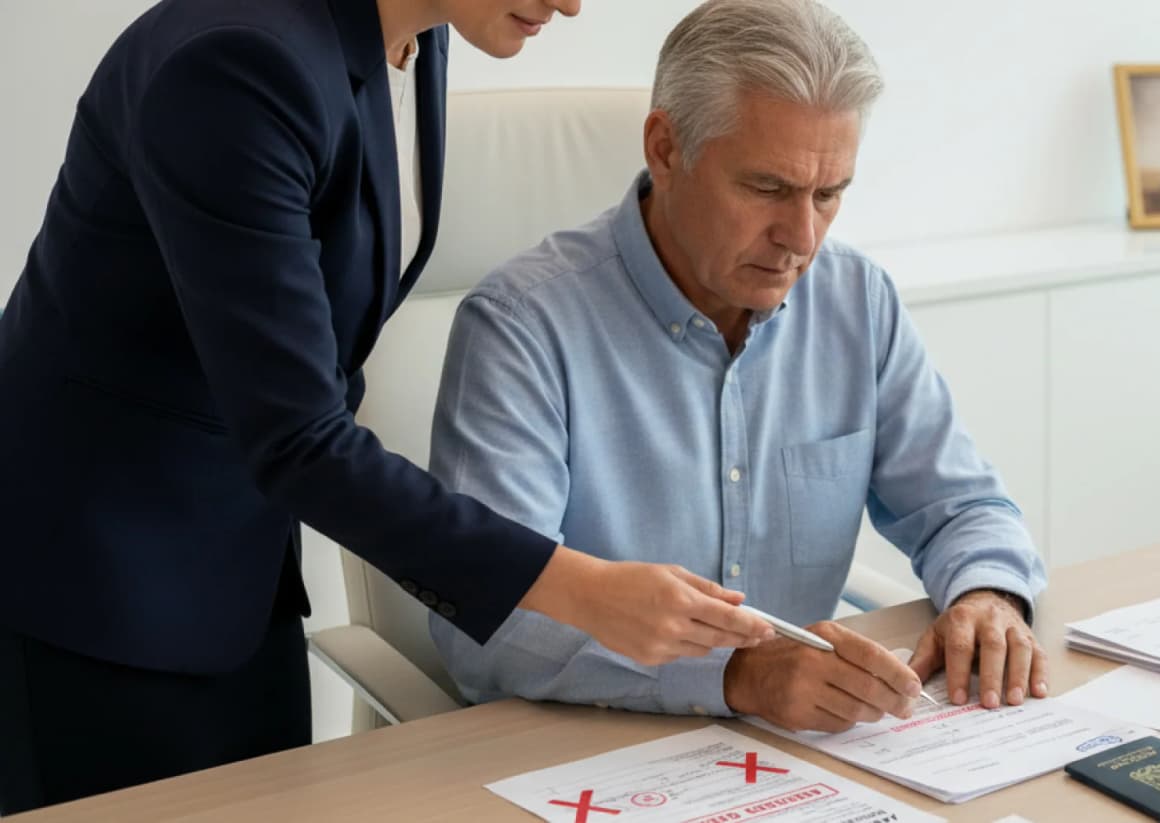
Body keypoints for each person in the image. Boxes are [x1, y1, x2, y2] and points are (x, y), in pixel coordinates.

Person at [0, 0, 774, 813]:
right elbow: (303, 436)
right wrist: (581, 589)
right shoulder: (236, 65)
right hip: (94, 587)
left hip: (235, 566)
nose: (573, 2)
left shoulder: (415, 36)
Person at [428, 0, 1049, 733]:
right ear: (665, 147)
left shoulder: (855, 300)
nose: (801, 236)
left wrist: (988, 594)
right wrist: (735, 675)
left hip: (807, 756)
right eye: (768, 188)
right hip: (583, 754)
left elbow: (963, 506)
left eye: (829, 194)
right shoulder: (521, 326)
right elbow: (492, 621)